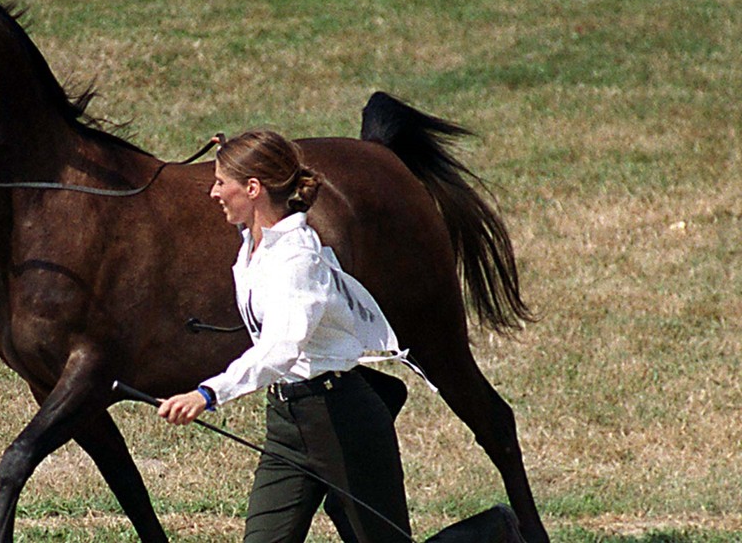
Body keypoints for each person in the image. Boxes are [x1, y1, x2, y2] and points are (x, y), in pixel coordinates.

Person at [158, 130, 523, 543]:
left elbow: (280, 348)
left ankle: (494, 532)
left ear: (254, 189)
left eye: (222, 182)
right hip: (286, 424)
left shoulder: (296, 260)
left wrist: (208, 394)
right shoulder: (254, 247)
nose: (214, 193)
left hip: (342, 420)